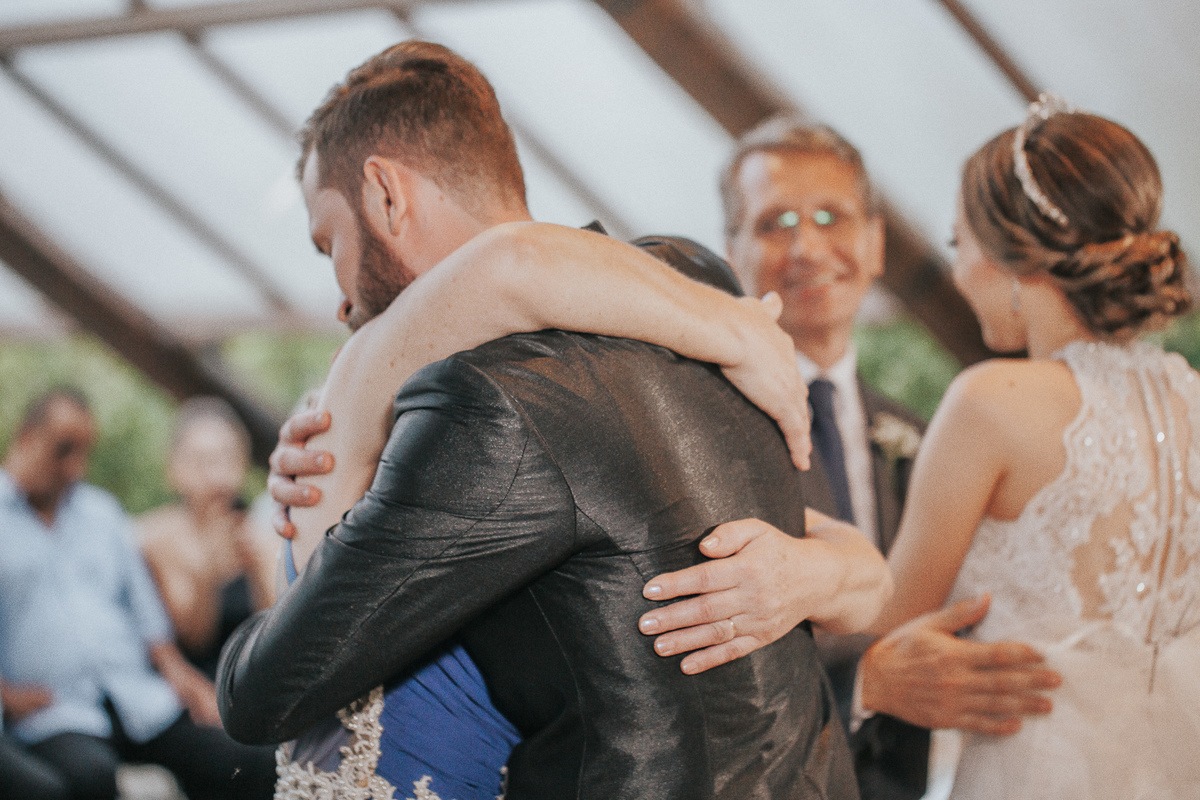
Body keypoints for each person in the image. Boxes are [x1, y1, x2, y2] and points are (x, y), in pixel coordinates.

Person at [217, 40, 891, 799]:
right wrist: (841, 567)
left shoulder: (487, 403)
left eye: (328, 244)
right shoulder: (695, 284)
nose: (341, 298)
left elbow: (259, 696)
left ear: (386, 195)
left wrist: (354, 404)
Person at [866, 97, 1199, 797]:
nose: (958, 270)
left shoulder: (992, 401)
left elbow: (891, 628)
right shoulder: (1192, 400)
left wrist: (822, 557)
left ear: (1012, 258)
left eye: (958, 243)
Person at [0, 389, 275, 800]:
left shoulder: (101, 514)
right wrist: (6, 696)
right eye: (64, 450)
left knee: (245, 759)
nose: (76, 467)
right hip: (59, 710)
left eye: (83, 452)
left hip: (137, 696)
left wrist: (191, 685)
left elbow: (150, 624)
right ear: (26, 437)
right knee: (91, 776)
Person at [139, 397, 276, 680]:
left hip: (254, 682)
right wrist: (207, 572)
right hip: (191, 688)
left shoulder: (259, 535)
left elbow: (278, 636)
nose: (216, 475)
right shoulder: (158, 537)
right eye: (201, 462)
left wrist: (258, 570)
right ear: (173, 469)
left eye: (227, 458)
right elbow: (193, 639)